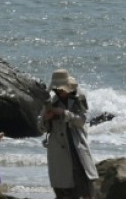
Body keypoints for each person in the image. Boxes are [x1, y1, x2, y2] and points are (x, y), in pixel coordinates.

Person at [39, 69, 99, 199]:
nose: (58, 92)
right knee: (63, 189)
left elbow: (82, 121)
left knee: (86, 186)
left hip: (76, 146)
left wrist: (65, 113)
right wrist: (46, 118)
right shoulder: (50, 102)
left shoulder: (79, 97)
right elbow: (42, 128)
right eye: (56, 89)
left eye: (60, 89)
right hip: (58, 150)